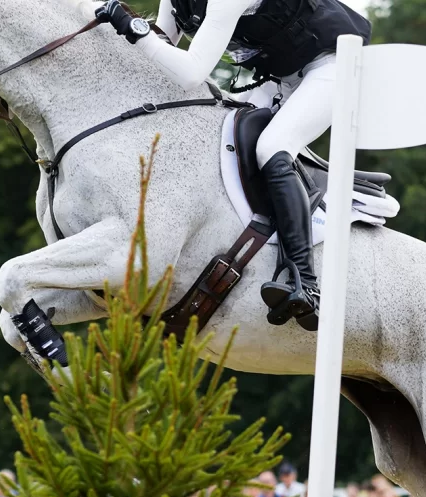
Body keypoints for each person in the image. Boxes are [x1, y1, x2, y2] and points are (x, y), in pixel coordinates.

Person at [95, 0, 371, 330]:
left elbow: (190, 72)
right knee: (220, 140)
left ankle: (305, 281)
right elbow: (161, 52)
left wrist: (133, 27)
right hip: (278, 77)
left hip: (330, 66)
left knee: (273, 146)